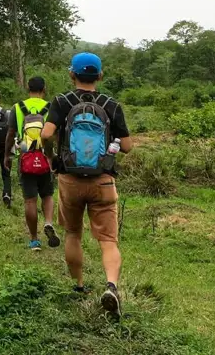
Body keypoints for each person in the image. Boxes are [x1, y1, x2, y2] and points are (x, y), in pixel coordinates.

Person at [41, 52, 133, 318]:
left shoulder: (61, 101)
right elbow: (126, 147)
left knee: (72, 233)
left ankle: (79, 286)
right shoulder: (111, 105)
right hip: (102, 180)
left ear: (72, 74)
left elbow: (46, 134)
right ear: (100, 76)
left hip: (69, 178)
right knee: (108, 240)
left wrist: (52, 158)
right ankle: (112, 287)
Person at [4, 76, 59, 251]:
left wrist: (7, 155)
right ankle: (48, 222)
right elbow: (53, 136)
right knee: (48, 195)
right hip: (45, 158)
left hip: (26, 158)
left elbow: (11, 133)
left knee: (30, 200)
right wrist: (52, 158)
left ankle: (34, 240)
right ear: (44, 88)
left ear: (28, 88)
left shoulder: (17, 108)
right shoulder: (50, 108)